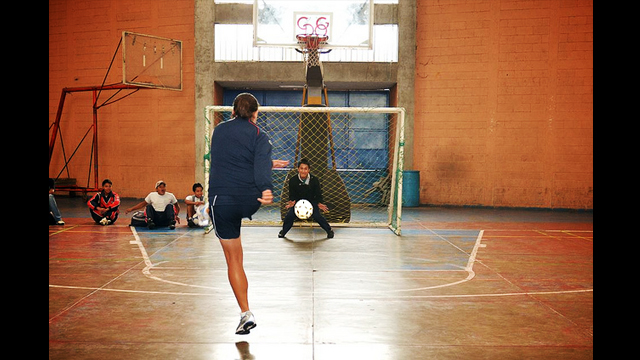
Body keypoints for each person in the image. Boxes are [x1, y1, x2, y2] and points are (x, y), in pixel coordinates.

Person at [208, 92, 288, 335]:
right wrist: (266, 188)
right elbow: (256, 165)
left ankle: (245, 313)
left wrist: (264, 165)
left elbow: (230, 159)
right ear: (255, 113)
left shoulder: (219, 131)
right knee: (239, 258)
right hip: (248, 200)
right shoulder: (259, 135)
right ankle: (245, 313)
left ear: (233, 110)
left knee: (232, 260)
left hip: (222, 201)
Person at [278, 159, 334, 239]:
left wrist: (319, 203)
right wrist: (292, 201)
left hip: (311, 202)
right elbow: (292, 194)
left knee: (317, 216)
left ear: (309, 170)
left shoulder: (314, 180)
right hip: (298, 202)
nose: (303, 171)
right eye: (301, 168)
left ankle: (329, 231)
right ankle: (283, 231)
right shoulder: (293, 180)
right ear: (298, 169)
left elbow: (318, 194)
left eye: (305, 169)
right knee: (289, 216)